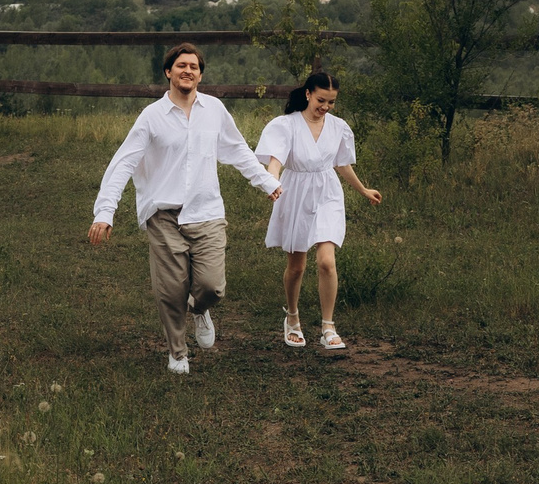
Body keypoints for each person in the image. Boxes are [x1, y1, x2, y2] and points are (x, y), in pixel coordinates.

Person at [86, 42, 281, 374]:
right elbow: (123, 164)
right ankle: (177, 353)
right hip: (163, 215)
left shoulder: (215, 110)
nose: (187, 70)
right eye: (181, 66)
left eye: (194, 66)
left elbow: (237, 150)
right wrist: (105, 211)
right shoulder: (152, 117)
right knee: (171, 289)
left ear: (200, 75)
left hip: (206, 212)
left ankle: (200, 309)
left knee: (212, 286)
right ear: (168, 72)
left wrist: (266, 182)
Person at [255, 68, 381, 352]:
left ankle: (328, 325)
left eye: (331, 102)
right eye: (321, 100)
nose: (325, 107)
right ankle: (292, 316)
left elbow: (342, 164)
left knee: (326, 261)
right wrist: (271, 182)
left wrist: (363, 189)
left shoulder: (338, 127)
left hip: (327, 192)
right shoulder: (285, 125)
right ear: (308, 94)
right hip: (295, 192)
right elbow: (275, 161)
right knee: (297, 266)